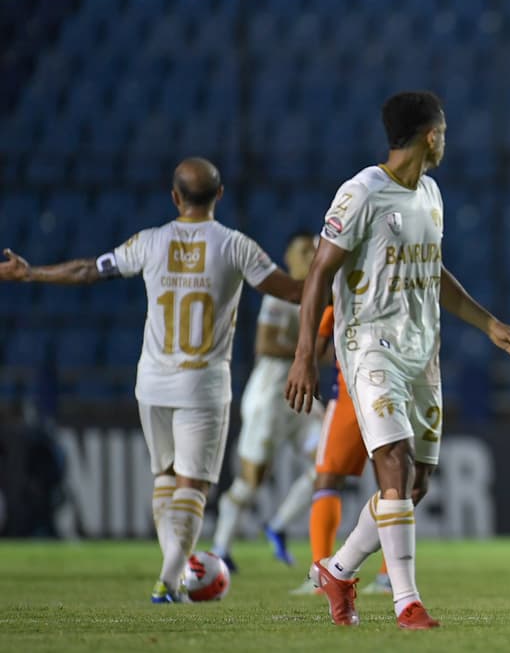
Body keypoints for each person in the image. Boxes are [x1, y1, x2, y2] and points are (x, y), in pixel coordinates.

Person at [0, 158, 303, 603]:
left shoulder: (150, 241)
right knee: (193, 485)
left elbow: (88, 270)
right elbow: (292, 291)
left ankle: (173, 575)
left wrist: (31, 273)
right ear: (219, 195)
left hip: (153, 383)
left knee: (164, 477)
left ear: (175, 197)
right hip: (203, 384)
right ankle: (169, 578)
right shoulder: (237, 246)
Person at [285, 91, 510, 630]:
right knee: (392, 462)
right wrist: (305, 354)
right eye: (443, 131)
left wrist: (489, 323)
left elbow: (432, 270)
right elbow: (318, 274)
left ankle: (338, 569)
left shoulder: (431, 194)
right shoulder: (361, 193)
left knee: (415, 485)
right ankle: (407, 603)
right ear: (430, 135)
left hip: (424, 353)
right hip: (370, 345)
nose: (446, 140)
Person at [211, 232, 322, 572]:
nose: (310, 255)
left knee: (327, 464)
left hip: (300, 399)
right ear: (288, 256)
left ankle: (277, 525)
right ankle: (220, 550)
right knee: (251, 481)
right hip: (270, 395)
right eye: (303, 250)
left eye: (314, 249)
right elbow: (266, 344)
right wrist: (308, 353)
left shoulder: (320, 296)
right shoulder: (280, 296)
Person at [289, 303, 391, 596]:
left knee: (331, 480)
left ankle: (322, 575)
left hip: (352, 393)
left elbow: (319, 348)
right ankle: (385, 577)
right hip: (385, 391)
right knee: (391, 483)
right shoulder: (391, 283)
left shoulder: (342, 293)